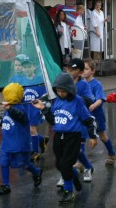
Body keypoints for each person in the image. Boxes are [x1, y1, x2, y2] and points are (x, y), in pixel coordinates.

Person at [32, 73, 97, 205]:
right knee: (59, 165)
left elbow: (88, 119)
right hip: (58, 136)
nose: (61, 93)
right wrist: (43, 108)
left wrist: (92, 136)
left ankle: (69, 191)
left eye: (64, 91)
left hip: (73, 137)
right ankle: (74, 177)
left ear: (70, 89)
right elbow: (53, 121)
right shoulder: (56, 101)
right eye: (59, 91)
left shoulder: (77, 101)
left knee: (66, 164)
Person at [0, 83, 42, 196]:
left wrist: (10, 108)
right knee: (3, 163)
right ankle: (6, 185)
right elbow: (5, 123)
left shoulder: (21, 108)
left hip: (19, 145)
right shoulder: (9, 108)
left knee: (23, 164)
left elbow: (20, 117)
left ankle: (36, 172)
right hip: (6, 144)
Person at [82, 59, 116, 165]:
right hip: (85, 116)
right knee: (81, 137)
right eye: (82, 69)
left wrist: (93, 105)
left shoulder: (97, 84)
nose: (83, 71)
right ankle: (81, 161)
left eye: (86, 69)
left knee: (102, 135)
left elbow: (101, 98)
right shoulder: (80, 84)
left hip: (96, 115)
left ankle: (111, 153)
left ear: (93, 71)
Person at [66, 58, 95, 182]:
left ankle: (85, 167)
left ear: (80, 72)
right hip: (67, 120)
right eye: (69, 69)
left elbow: (90, 99)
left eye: (74, 69)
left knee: (76, 148)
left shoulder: (83, 85)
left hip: (79, 121)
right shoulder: (65, 82)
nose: (70, 71)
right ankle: (85, 166)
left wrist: (76, 98)